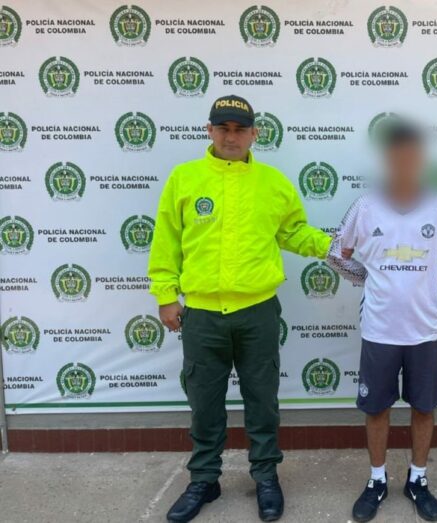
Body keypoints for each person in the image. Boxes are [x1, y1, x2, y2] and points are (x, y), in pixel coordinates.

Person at [148, 94, 332, 523]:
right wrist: (165, 295)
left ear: (255, 134)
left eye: (240, 129)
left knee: (262, 399)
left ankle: (265, 476)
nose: (232, 137)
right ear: (209, 131)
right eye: (223, 128)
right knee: (204, 401)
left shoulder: (274, 183)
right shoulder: (184, 178)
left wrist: (335, 246)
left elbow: (295, 233)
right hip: (203, 315)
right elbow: (166, 240)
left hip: (257, 312)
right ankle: (204, 480)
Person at [328, 120, 437, 522]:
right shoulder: (365, 205)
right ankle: (377, 480)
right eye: (397, 153)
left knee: (423, 407)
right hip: (379, 329)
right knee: (376, 408)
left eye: (412, 152)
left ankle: (418, 479)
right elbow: (336, 254)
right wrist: (370, 277)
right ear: (387, 157)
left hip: (424, 329)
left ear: (421, 157)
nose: (405, 159)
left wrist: (431, 275)